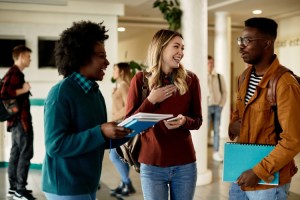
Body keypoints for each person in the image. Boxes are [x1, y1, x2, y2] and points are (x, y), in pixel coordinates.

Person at [41, 21, 132, 200]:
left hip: (88, 183)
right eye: (101, 56)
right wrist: (100, 131)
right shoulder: (60, 93)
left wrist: (127, 132)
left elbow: (97, 141)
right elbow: (55, 146)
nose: (106, 62)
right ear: (82, 57)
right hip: (66, 187)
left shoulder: (94, 93)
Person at [125, 29, 202, 200]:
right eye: (176, 47)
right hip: (152, 165)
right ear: (161, 48)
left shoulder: (191, 80)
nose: (181, 53)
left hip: (185, 164)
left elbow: (198, 120)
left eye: (183, 48)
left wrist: (184, 121)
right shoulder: (140, 80)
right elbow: (128, 126)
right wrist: (151, 101)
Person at [228, 17, 300, 200]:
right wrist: (233, 125)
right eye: (240, 40)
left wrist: (258, 171)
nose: (241, 46)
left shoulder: (285, 84)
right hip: (240, 172)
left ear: (267, 43)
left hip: (268, 180)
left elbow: (292, 140)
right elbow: (237, 115)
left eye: (247, 41)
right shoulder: (244, 76)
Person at [0, 45, 35, 200]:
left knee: (16, 153)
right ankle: (20, 189)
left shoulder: (14, 73)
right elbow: (4, 93)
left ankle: (14, 188)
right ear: (21, 56)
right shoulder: (14, 73)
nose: (30, 59)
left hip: (16, 122)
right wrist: (24, 89)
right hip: (21, 122)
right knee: (24, 153)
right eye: (28, 56)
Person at [109, 62, 136, 197]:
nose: (113, 71)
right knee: (118, 156)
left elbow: (128, 107)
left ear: (122, 72)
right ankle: (124, 183)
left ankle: (127, 183)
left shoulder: (124, 85)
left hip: (121, 124)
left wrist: (114, 116)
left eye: (115, 69)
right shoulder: (119, 85)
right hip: (118, 123)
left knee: (114, 155)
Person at [207, 55, 227, 162]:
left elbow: (224, 92)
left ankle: (216, 152)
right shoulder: (202, 76)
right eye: (208, 63)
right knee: (204, 131)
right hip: (206, 108)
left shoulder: (219, 77)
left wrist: (221, 105)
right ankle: (202, 153)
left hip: (217, 107)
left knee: (216, 130)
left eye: (211, 63)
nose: (210, 65)